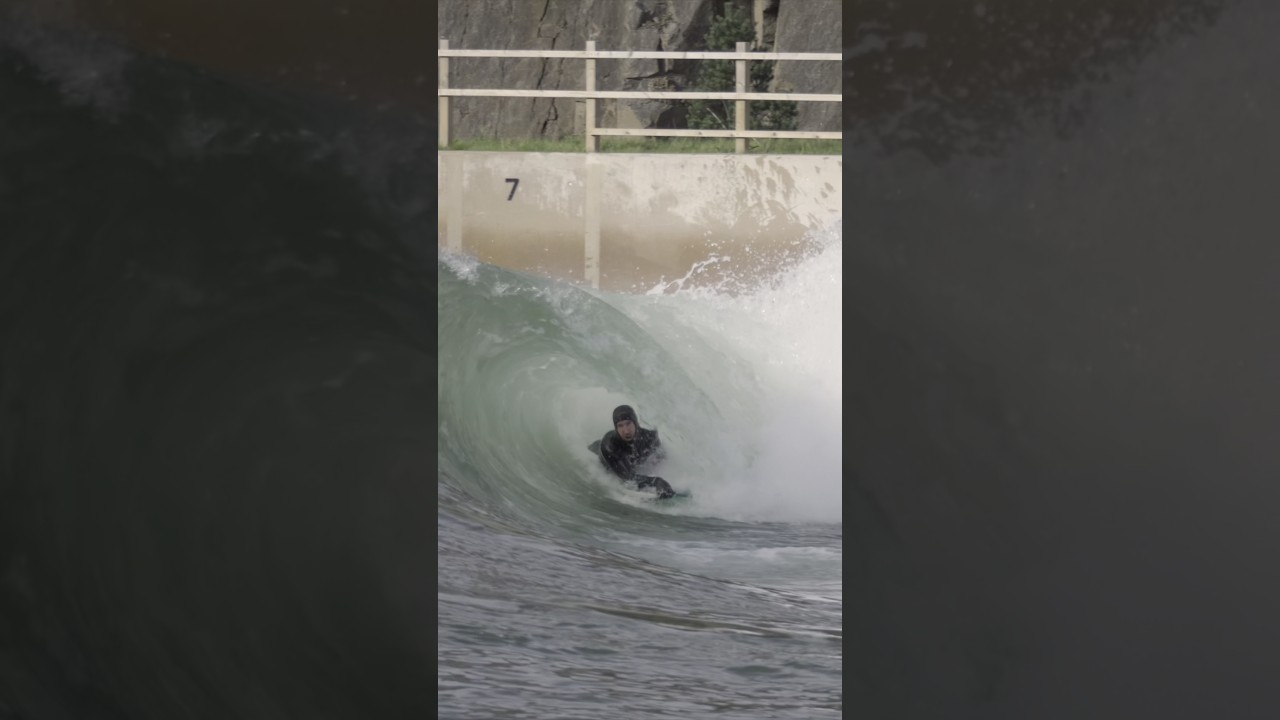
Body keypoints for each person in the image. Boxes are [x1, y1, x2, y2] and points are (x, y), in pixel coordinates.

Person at [598, 404, 675, 499]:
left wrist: (658, 460)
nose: (626, 431)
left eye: (628, 423)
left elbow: (661, 452)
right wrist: (656, 481)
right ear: (616, 428)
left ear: (635, 423)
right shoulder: (610, 446)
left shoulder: (649, 437)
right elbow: (627, 477)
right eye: (620, 426)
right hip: (606, 462)